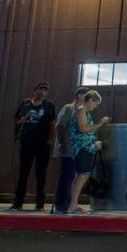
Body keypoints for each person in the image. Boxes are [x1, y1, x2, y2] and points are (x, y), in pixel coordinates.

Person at [10, 81, 56, 211]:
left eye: (45, 90)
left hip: (42, 143)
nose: (42, 92)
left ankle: (40, 203)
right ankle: (18, 202)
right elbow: (16, 120)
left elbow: (52, 123)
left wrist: (50, 139)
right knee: (23, 172)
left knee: (41, 174)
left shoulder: (49, 105)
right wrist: (21, 121)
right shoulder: (25, 104)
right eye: (40, 89)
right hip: (27, 142)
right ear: (35, 89)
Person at [68, 90, 110, 215]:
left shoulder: (84, 111)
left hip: (86, 148)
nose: (95, 107)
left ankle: (74, 204)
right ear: (90, 100)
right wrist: (101, 123)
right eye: (95, 104)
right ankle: (72, 205)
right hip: (82, 148)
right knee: (81, 176)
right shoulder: (81, 110)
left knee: (80, 176)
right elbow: (84, 129)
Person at [51, 87, 90, 215]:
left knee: (75, 177)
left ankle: (72, 203)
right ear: (79, 95)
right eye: (86, 95)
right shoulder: (69, 108)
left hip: (78, 149)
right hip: (68, 148)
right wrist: (62, 143)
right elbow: (60, 126)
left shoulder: (84, 110)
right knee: (67, 177)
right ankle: (62, 204)